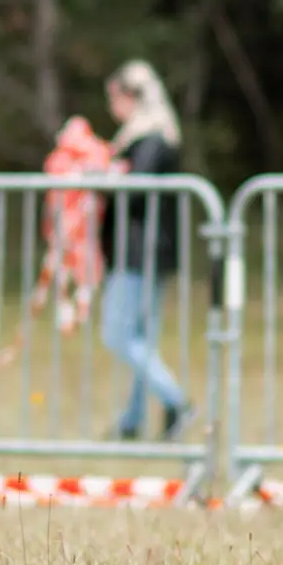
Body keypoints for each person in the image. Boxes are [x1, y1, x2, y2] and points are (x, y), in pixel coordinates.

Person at [99, 59, 193, 440]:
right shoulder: (152, 135)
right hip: (145, 249)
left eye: (115, 98)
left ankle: (177, 402)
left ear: (130, 96)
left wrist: (100, 179)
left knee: (119, 334)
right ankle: (132, 420)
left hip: (139, 250)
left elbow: (135, 189)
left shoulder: (150, 139)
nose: (112, 108)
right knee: (140, 338)